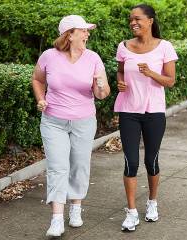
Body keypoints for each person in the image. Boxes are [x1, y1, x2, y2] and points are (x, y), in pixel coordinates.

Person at [31, 15, 110, 237]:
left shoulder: (93, 58)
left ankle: (76, 207)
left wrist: (101, 85)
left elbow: (102, 95)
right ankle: (57, 218)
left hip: (83, 121)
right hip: (53, 121)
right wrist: (40, 99)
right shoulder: (49, 56)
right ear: (70, 34)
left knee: (79, 165)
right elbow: (37, 79)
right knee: (57, 167)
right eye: (83, 30)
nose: (87, 34)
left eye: (87, 31)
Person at [114, 4, 178, 232]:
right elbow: (121, 70)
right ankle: (131, 212)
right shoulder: (124, 47)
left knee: (151, 160)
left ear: (150, 20)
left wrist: (151, 73)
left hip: (154, 112)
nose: (133, 22)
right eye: (131, 19)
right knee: (131, 162)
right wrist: (120, 82)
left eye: (138, 19)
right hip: (128, 110)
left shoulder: (165, 47)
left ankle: (152, 203)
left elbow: (170, 81)